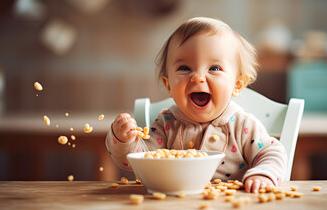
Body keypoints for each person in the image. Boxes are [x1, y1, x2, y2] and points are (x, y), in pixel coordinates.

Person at [106, 17, 287, 193]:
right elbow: (137, 161)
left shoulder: (243, 125)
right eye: (184, 68)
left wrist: (263, 176)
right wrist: (124, 139)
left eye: (214, 68)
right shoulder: (166, 123)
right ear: (168, 85)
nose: (198, 77)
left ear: (237, 84)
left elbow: (272, 153)